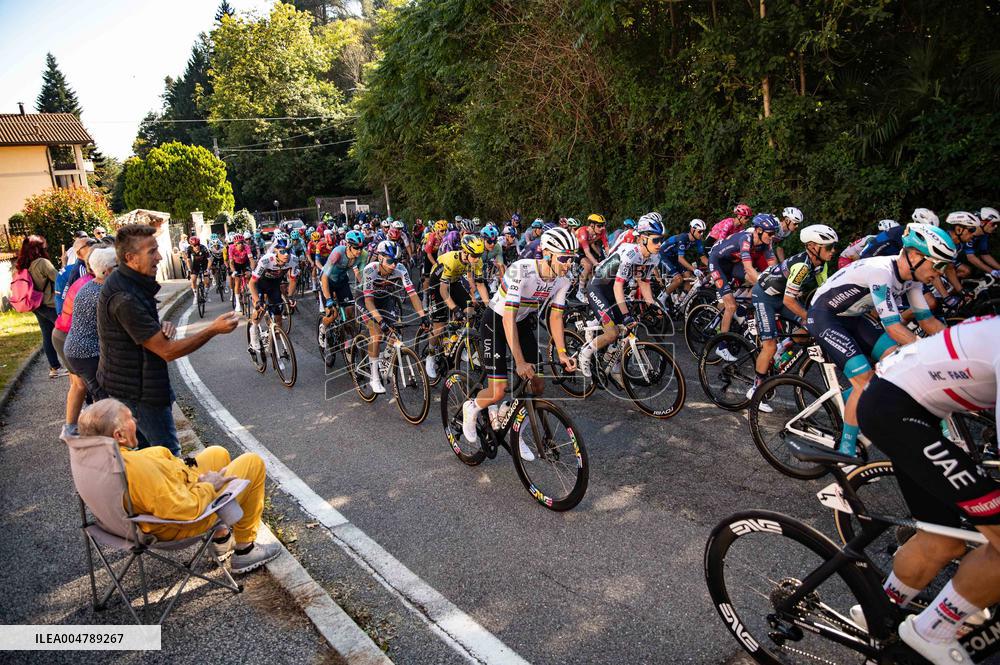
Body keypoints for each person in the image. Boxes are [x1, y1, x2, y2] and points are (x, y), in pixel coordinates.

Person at [856, 316, 1000, 664]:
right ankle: (930, 632)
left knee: (944, 539)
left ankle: (879, 610)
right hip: (896, 407)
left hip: (908, 405)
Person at [75, 399, 281, 574]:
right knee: (252, 462)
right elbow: (185, 510)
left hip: (158, 507)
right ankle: (245, 550)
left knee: (217, 453)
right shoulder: (136, 469)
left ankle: (221, 540)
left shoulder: (100, 460)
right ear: (118, 436)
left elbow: (160, 488)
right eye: (130, 418)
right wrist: (208, 485)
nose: (135, 421)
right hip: (178, 523)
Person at [807, 223, 955, 456]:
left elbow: (927, 321)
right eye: (939, 264)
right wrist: (927, 351)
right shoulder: (882, 271)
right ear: (915, 255)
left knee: (893, 359)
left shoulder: (914, 280)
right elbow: (894, 327)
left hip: (854, 317)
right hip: (825, 316)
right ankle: (846, 451)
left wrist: (955, 345)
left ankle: (848, 401)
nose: (941, 272)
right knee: (864, 380)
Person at [99, 224, 240, 456]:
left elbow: (134, 332)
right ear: (130, 258)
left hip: (134, 386)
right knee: (168, 455)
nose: (159, 257)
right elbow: (167, 351)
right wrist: (213, 329)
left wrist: (155, 327)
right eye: (152, 251)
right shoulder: (125, 298)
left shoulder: (128, 282)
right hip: (140, 393)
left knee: (145, 458)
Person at [461, 228, 579, 459]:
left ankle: (514, 427)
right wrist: (519, 361)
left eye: (572, 259)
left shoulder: (563, 280)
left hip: (522, 321)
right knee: (498, 390)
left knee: (537, 385)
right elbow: (507, 317)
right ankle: (472, 407)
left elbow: (555, 317)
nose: (568, 264)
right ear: (547, 254)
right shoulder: (521, 270)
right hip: (496, 320)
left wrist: (563, 353)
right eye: (564, 258)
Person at [748, 224, 837, 410]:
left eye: (833, 246)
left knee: (809, 328)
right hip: (764, 296)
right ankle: (756, 391)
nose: (833, 251)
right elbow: (789, 301)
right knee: (769, 345)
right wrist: (809, 316)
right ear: (813, 247)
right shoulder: (802, 267)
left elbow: (825, 290)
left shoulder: (822, 264)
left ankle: (783, 348)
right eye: (829, 247)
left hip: (781, 296)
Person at [578, 216, 664, 378]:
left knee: (626, 329)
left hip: (613, 290)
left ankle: (611, 356)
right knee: (612, 333)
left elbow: (643, 282)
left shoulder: (653, 257)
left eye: (662, 239)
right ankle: (586, 352)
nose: (660, 244)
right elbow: (618, 286)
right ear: (643, 239)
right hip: (598, 288)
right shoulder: (630, 254)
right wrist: (625, 315)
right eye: (656, 240)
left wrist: (652, 305)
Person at [358, 241, 429, 393]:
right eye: (390, 261)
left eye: (396, 261)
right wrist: (380, 321)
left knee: (395, 334)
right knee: (376, 334)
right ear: (380, 258)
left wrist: (423, 316)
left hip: (384, 299)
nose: (393, 265)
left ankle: (383, 361)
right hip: (366, 300)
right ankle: (374, 378)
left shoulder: (401, 269)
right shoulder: (371, 270)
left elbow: (413, 294)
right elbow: (369, 302)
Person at [707, 213, 779, 361]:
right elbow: (749, 269)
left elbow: (774, 268)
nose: (772, 237)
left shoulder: (766, 243)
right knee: (730, 305)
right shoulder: (746, 239)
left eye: (774, 233)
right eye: (770, 233)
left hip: (733, 263)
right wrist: (766, 285)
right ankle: (722, 346)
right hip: (717, 262)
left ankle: (742, 311)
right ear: (758, 230)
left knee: (756, 286)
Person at [64, 247, 117, 407]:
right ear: (107, 271)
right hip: (87, 352)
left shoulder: (90, 286)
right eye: (118, 266)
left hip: (76, 349)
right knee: (106, 399)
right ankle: (107, 430)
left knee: (99, 395)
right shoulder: (103, 294)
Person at [53, 249, 95, 438]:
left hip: (62, 333)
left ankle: (72, 427)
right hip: (68, 335)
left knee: (78, 384)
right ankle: (73, 429)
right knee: (81, 384)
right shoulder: (92, 285)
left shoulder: (83, 280)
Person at [16, 235, 66, 378]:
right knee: (65, 332)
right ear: (37, 248)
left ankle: (54, 368)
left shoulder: (23, 265)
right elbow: (59, 280)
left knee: (47, 335)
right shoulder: (42, 262)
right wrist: (64, 265)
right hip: (49, 303)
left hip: (35, 304)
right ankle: (74, 365)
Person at [657, 219, 709, 307]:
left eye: (703, 232)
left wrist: (713, 267)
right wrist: (694, 269)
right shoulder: (682, 238)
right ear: (692, 230)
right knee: (678, 279)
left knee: (689, 277)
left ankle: (679, 302)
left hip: (674, 257)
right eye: (700, 232)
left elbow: (702, 257)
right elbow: (681, 259)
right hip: (663, 255)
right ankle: (661, 299)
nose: (702, 234)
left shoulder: (698, 240)